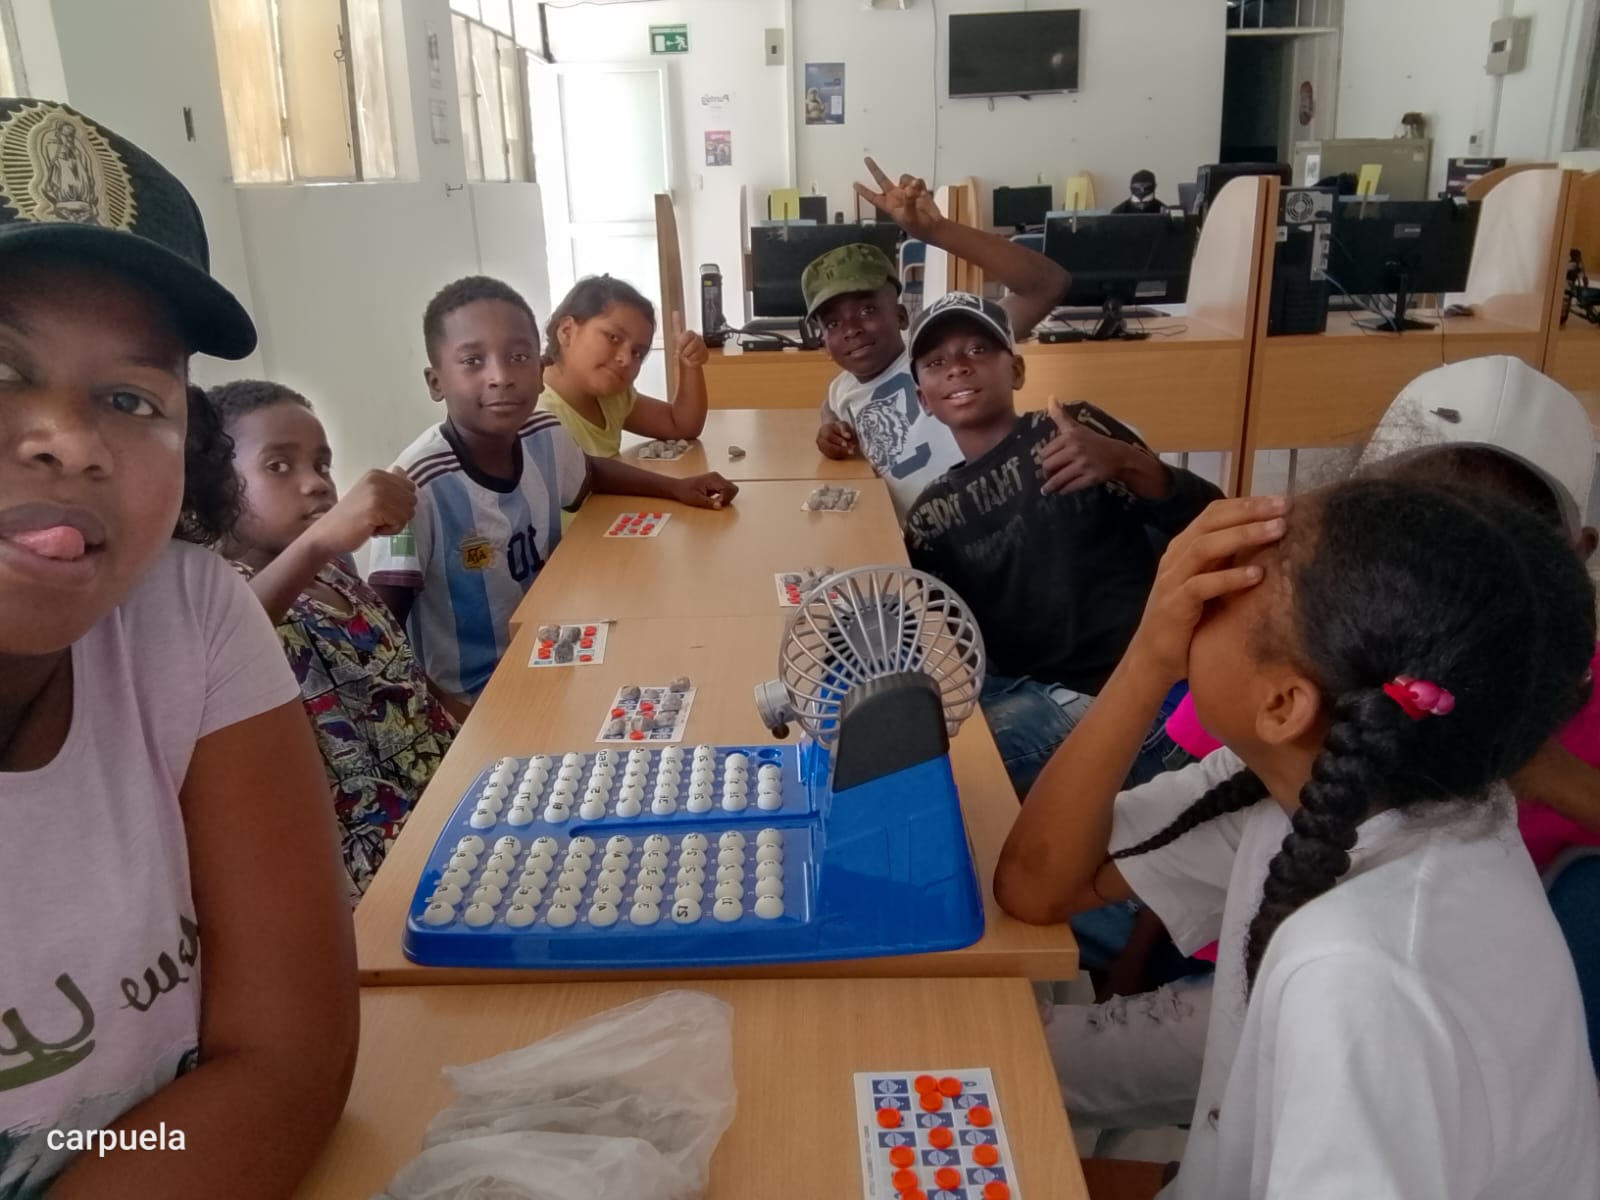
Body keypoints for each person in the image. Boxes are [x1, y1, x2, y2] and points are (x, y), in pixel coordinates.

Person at [996, 481, 1600, 1197]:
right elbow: (1038, 885)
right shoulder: (1329, 787)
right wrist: (1146, 661)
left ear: (1284, 704)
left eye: (1221, 594)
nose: (1183, 607)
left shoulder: (1360, 971)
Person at [0, 98, 354, 1197]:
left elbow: (286, 1061)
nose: (70, 441)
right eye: (3, 369)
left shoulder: (185, 616)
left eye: (129, 396)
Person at [902, 292, 1221, 795]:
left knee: (949, 770)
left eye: (978, 350)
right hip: (1027, 689)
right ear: (924, 398)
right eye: (936, 362)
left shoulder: (1070, 432)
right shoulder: (930, 517)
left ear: (1017, 370)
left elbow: (1208, 520)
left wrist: (1126, 463)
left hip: (1136, 699)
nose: (958, 367)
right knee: (909, 727)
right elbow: (949, 638)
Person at [370, 276, 738, 709]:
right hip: (472, 697)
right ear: (436, 382)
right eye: (473, 361)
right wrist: (448, 715)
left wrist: (676, 487)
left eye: (518, 357)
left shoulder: (543, 431)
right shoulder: (412, 487)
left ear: (540, 369)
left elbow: (591, 473)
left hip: (555, 656)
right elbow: (379, 635)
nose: (501, 377)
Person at [209, 379, 457, 905]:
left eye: (322, 465)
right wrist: (320, 541)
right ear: (216, 486)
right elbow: (231, 637)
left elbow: (403, 678)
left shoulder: (334, 572)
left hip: (447, 801)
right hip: (373, 872)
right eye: (279, 465)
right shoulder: (218, 595)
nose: (316, 484)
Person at [809, 157, 1070, 521]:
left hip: (997, 523)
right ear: (823, 341)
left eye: (867, 310)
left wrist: (938, 232)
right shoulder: (844, 387)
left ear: (901, 316)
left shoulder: (940, 353)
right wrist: (827, 427)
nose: (851, 329)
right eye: (833, 323)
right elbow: (831, 404)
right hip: (921, 538)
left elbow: (1046, 285)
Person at [537, 274, 708, 459]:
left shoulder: (613, 399)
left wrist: (690, 364)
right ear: (567, 331)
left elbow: (680, 425)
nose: (626, 359)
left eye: (637, 353)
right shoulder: (535, 416)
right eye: (613, 337)